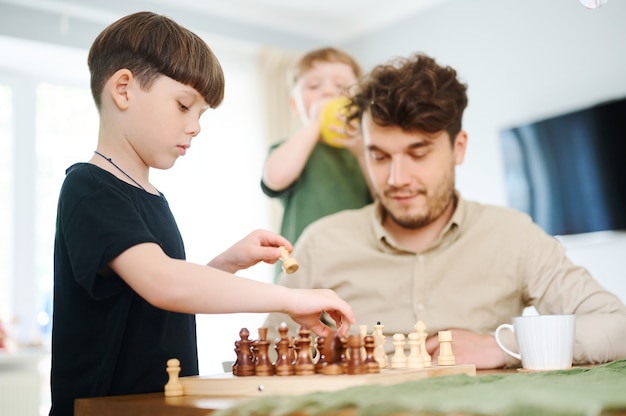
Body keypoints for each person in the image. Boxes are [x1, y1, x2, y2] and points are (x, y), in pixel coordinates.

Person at [50, 12, 354, 416]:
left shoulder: (149, 194)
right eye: (183, 106)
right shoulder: (89, 187)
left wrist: (226, 263)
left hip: (158, 406)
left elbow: (160, 297)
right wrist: (290, 298)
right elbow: (163, 282)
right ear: (123, 89)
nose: (195, 127)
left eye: (201, 114)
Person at [263, 53, 626, 369]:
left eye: (418, 154)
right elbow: (269, 350)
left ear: (459, 149)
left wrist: (503, 346)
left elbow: (617, 326)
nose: (396, 178)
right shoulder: (322, 242)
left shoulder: (514, 236)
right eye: (379, 156)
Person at [261, 47, 374, 282]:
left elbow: (384, 197)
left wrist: (360, 149)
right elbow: (275, 177)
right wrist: (315, 124)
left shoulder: (366, 152)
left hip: (358, 270)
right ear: (295, 105)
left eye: (342, 88)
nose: (329, 92)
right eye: (314, 86)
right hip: (300, 272)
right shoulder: (291, 149)